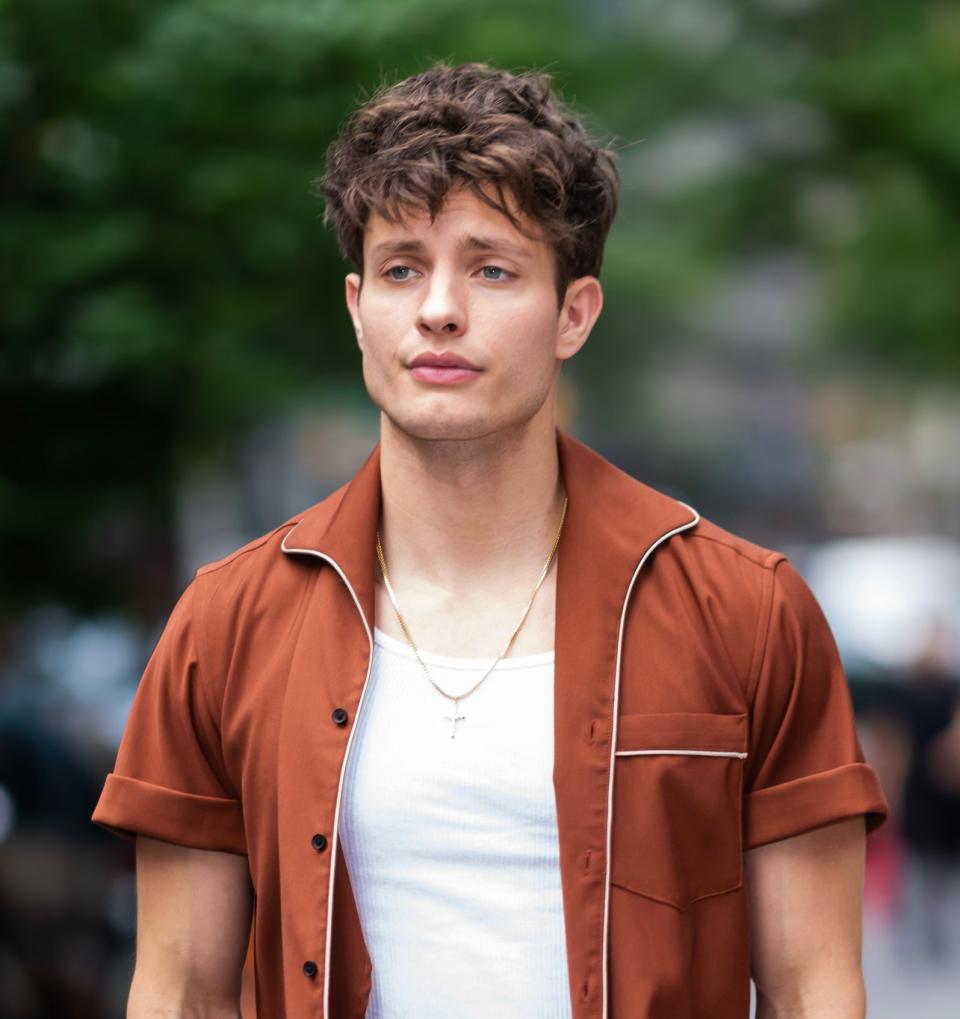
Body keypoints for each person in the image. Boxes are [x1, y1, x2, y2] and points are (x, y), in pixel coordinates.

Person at [92, 62, 890, 1019]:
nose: (438, 308)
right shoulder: (227, 622)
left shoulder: (747, 611)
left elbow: (814, 990)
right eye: (401, 268)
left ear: (574, 315)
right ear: (357, 309)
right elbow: (179, 991)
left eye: (491, 268)